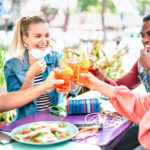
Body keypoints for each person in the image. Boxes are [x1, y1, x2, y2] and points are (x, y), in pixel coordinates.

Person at [89, 14, 150, 150]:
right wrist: (101, 78)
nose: (145, 40)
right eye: (142, 35)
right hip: (147, 121)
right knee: (113, 144)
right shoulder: (142, 62)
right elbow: (118, 87)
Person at [4, 16, 80, 121]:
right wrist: (30, 76)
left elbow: (73, 90)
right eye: (38, 36)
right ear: (25, 39)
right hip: (27, 123)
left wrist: (75, 79)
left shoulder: (56, 58)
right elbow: (15, 102)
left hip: (56, 119)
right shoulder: (11, 65)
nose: (44, 41)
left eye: (47, 35)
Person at [81, 72, 149, 150]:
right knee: (113, 143)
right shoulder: (140, 64)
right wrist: (97, 84)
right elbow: (141, 104)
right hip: (144, 135)